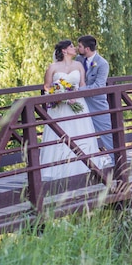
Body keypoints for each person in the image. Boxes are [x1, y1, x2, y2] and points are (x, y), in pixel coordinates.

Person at [39, 40, 111, 180]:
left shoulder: (78, 64)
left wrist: (75, 95)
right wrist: (61, 95)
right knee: (60, 135)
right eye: (72, 46)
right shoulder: (52, 67)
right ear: (64, 51)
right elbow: (47, 87)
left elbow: (82, 84)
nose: (75, 48)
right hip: (60, 107)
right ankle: (58, 169)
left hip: (78, 105)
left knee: (80, 134)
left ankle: (84, 166)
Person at [76, 35, 114, 162]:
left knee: (107, 133)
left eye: (80, 46)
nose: (77, 48)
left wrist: (78, 91)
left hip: (97, 103)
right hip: (79, 103)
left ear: (87, 48)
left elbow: (98, 85)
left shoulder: (102, 63)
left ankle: (117, 161)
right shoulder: (78, 59)